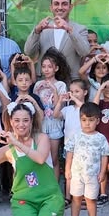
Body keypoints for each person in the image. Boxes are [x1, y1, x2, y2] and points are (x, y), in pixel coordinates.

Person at [0, 101, 64, 216]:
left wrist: (17, 143)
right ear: (11, 121)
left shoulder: (41, 138)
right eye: (16, 120)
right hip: (25, 198)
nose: (21, 124)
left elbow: (40, 158)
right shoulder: (8, 150)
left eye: (25, 120)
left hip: (49, 197)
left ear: (31, 121)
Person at [64, 102, 109, 216]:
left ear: (97, 120)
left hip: (93, 175)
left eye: (91, 120)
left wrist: (102, 172)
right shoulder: (76, 136)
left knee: (91, 199)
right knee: (76, 198)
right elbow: (70, 153)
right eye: (84, 120)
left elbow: (104, 156)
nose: (87, 123)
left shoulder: (101, 138)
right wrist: (67, 169)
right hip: (77, 174)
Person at [24, 0, 91, 77]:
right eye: (56, 4)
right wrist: (37, 31)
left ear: (70, 7)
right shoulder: (42, 28)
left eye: (64, 4)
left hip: (70, 84)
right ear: (51, 7)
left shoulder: (80, 29)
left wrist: (69, 29)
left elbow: (84, 52)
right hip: (44, 82)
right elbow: (28, 52)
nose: (60, 7)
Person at [34, 51, 69, 188]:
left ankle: (54, 188)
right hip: (41, 124)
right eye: (44, 66)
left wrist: (53, 90)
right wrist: (37, 92)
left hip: (54, 124)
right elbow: (36, 104)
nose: (46, 69)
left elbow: (58, 106)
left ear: (56, 68)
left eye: (50, 66)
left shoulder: (61, 85)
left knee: (54, 158)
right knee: (41, 157)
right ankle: (41, 187)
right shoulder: (38, 85)